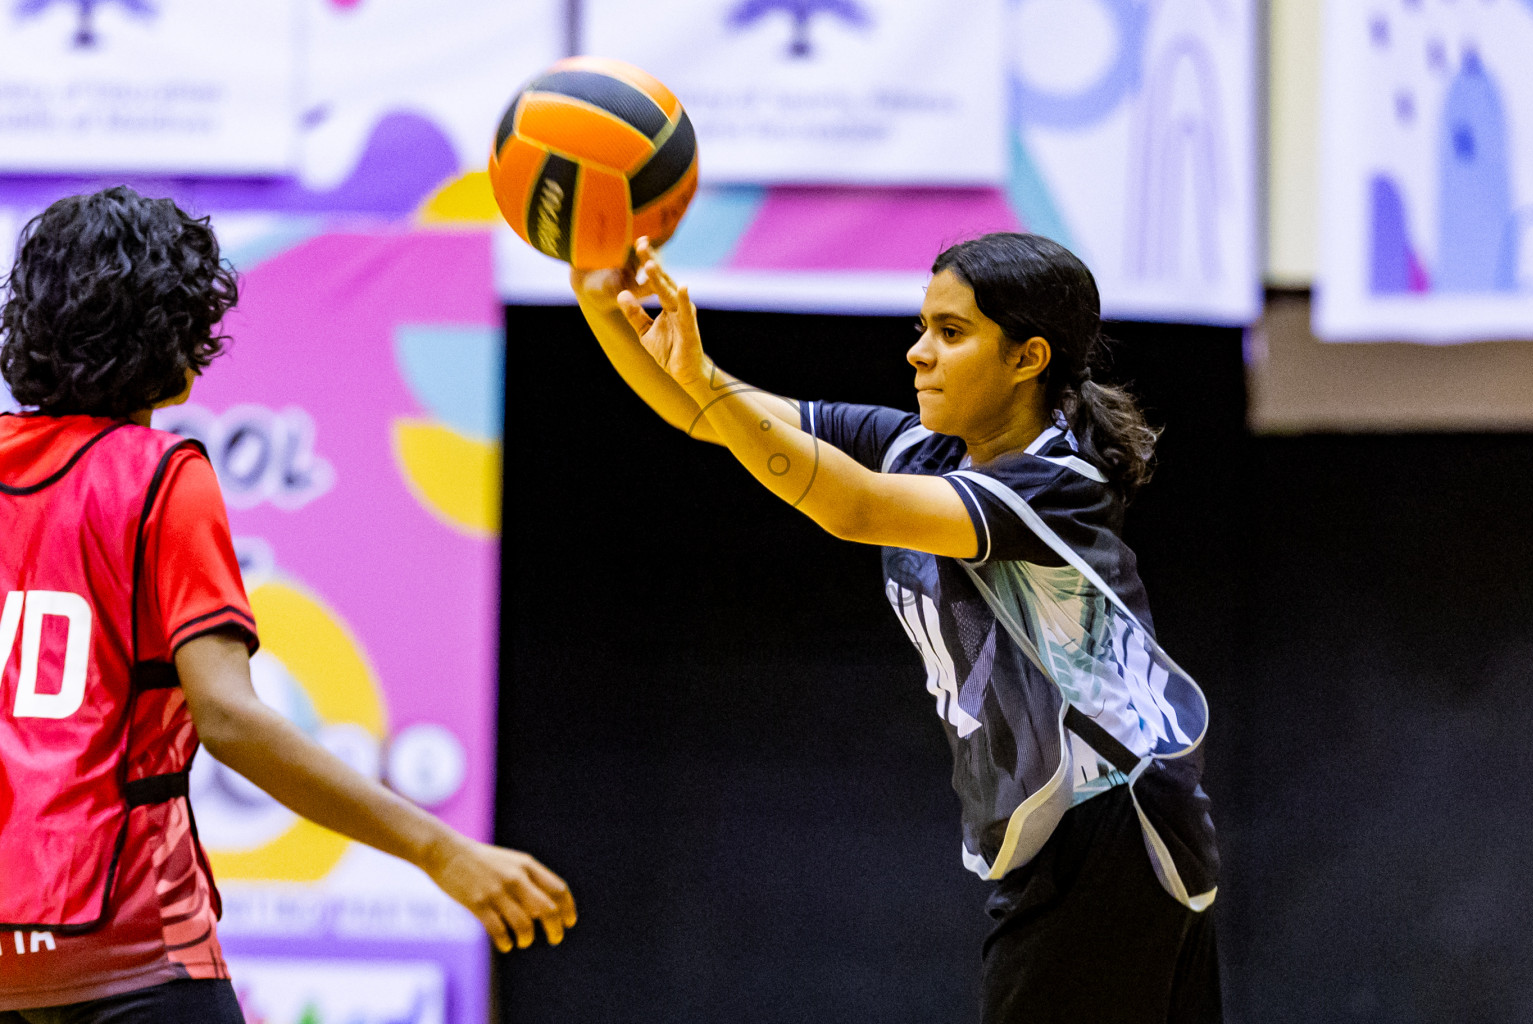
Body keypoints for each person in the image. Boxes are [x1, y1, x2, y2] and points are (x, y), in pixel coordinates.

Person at [572, 232, 1221, 1023]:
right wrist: (599, 298)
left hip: (1115, 828)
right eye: (923, 329)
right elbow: (707, 415)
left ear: (1028, 357)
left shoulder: (1056, 482)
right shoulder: (919, 446)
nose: (918, 354)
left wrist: (707, 381)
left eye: (951, 333)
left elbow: (850, 506)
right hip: (1087, 836)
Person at [0, 187, 575, 1022]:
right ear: (183, 340)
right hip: (124, 940)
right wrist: (439, 849)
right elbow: (229, 721)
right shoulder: (160, 476)